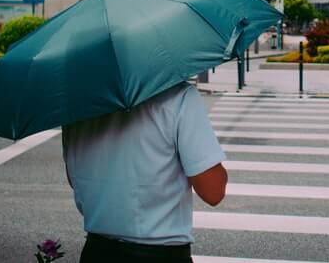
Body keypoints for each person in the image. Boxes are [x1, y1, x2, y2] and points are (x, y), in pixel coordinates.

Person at [62, 82, 227, 263]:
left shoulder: (76, 101)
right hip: (160, 255)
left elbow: (73, 179)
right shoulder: (178, 95)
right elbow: (213, 192)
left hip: (97, 251)